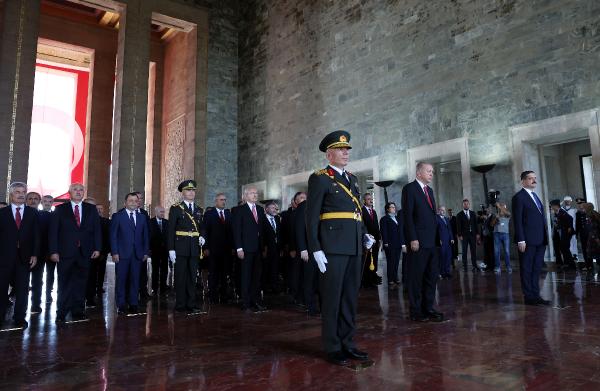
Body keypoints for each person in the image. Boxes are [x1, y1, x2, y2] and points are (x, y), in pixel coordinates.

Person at [306, 130, 375, 366]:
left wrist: (365, 235)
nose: (346, 153)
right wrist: (315, 248)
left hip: (354, 246)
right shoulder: (320, 178)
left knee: (349, 298)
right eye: (341, 149)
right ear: (329, 154)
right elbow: (312, 216)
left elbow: (356, 213)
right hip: (332, 248)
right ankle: (333, 346)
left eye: (347, 149)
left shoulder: (353, 179)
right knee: (332, 299)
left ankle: (348, 342)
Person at [49, 183, 102, 322]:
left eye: (81, 190)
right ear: (69, 193)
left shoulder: (91, 209)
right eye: (75, 190)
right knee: (64, 283)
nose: (78, 192)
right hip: (65, 253)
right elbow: (53, 232)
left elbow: (97, 230)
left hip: (85, 252)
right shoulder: (60, 209)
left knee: (81, 283)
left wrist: (97, 248)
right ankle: (62, 312)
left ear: (84, 192)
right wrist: (53, 251)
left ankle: (78, 311)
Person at [402, 162, 443, 322]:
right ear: (419, 173)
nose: (432, 174)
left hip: (432, 241)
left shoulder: (430, 190)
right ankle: (416, 310)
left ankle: (429, 307)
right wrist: (413, 238)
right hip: (418, 241)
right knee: (416, 277)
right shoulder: (410, 189)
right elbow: (408, 216)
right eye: (429, 171)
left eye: (432, 171)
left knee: (431, 276)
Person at [0, 182, 39, 329]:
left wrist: (35, 254)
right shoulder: (2, 213)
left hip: (25, 257)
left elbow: (37, 236)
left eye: (23, 192)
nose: (21, 194)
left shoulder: (32, 213)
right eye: (17, 192)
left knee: (22, 290)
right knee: (2, 288)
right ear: (11, 194)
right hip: (4, 258)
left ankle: (19, 318)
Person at [512, 171, 550, 306]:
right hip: (527, 240)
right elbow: (517, 220)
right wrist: (521, 239)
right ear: (523, 181)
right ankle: (529, 296)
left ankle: (536, 295)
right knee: (527, 268)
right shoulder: (519, 197)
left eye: (535, 178)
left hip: (540, 239)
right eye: (530, 178)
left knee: (536, 268)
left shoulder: (535, 196)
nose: (534, 181)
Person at [167, 180, 206, 314]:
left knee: (192, 277)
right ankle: (180, 304)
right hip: (181, 248)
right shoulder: (176, 208)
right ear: (183, 193)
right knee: (180, 277)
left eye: (193, 190)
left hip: (194, 248)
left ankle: (191, 303)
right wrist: (171, 249)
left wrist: (203, 236)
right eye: (188, 190)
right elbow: (171, 230)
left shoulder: (200, 209)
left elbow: (203, 227)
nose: (191, 193)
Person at [110, 193, 150, 314]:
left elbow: (145, 236)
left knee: (135, 279)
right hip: (122, 254)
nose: (133, 202)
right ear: (125, 203)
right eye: (130, 200)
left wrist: (145, 252)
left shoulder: (142, 217)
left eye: (135, 201)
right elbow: (113, 236)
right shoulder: (118, 216)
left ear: (138, 203)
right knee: (121, 280)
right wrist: (114, 252)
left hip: (137, 254)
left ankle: (133, 303)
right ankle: (121, 305)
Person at [231, 186, 267, 312]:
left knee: (256, 276)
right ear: (245, 196)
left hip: (258, 248)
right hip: (245, 248)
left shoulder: (260, 210)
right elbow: (236, 230)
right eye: (252, 193)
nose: (255, 195)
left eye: (256, 193)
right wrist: (239, 248)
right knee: (246, 276)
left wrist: (264, 247)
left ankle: (255, 301)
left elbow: (262, 230)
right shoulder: (239, 210)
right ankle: (245, 303)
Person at [295, 195, 320, 315]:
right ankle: (310, 306)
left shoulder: (322, 204)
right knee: (309, 279)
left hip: (321, 249)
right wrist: (303, 249)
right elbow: (299, 229)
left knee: (319, 279)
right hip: (309, 249)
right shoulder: (303, 206)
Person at [26, 191, 50, 313]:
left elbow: (48, 235)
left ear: (39, 201)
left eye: (36, 198)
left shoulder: (45, 216)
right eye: (30, 198)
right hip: (21, 254)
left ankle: (35, 304)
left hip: (40, 254)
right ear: (26, 200)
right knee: (21, 281)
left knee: (37, 280)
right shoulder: (19, 214)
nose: (33, 200)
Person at [379, 202, 405, 288]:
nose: (394, 208)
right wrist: (385, 242)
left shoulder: (397, 218)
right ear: (387, 209)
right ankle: (390, 280)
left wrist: (402, 243)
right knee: (391, 262)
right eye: (392, 207)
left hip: (398, 244)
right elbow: (384, 231)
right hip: (389, 244)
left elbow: (400, 231)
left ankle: (395, 277)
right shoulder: (384, 219)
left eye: (394, 207)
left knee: (396, 262)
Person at [361, 193, 382, 287]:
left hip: (376, 240)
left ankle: (373, 276)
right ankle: (367, 280)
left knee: (375, 258)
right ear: (364, 201)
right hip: (367, 240)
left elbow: (376, 226)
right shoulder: (361, 211)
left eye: (371, 199)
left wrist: (379, 239)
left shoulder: (373, 211)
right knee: (368, 260)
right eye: (368, 199)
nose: (371, 200)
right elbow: (362, 226)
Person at [262, 200, 282, 294]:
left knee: (275, 268)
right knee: (265, 268)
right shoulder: (262, 219)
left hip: (276, 248)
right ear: (266, 209)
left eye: (275, 208)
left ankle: (274, 286)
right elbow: (262, 235)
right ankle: (265, 287)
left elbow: (279, 234)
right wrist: (264, 248)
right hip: (267, 248)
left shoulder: (277, 219)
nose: (275, 210)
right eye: (272, 208)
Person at [149, 206, 169, 296]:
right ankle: (154, 287)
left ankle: (163, 288)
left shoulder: (167, 222)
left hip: (165, 250)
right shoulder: (150, 222)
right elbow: (148, 237)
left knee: (164, 270)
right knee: (155, 270)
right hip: (155, 250)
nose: (162, 213)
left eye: (163, 212)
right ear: (156, 212)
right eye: (161, 212)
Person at [550, 199, 575, 270]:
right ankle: (565, 264)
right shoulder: (556, 213)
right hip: (560, 234)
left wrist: (570, 227)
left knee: (565, 248)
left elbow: (570, 218)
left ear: (556, 206)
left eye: (552, 206)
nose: (551, 207)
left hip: (566, 233)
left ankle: (571, 265)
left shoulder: (562, 212)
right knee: (562, 248)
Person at [456, 199, 480, 272]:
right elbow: (458, 226)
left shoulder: (472, 213)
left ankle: (474, 266)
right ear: (463, 205)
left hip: (472, 235)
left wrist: (477, 233)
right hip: (464, 236)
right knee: (464, 251)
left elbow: (476, 224)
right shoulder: (459, 215)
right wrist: (459, 235)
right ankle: (465, 266)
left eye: (467, 204)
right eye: (464, 204)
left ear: (469, 205)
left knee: (473, 250)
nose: (466, 205)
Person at [41, 195, 56, 302]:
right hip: (39, 251)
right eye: (45, 201)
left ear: (52, 203)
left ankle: (48, 293)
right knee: (38, 274)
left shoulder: (56, 216)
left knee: (51, 274)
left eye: (49, 201)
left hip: (52, 250)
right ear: (42, 202)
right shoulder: (36, 215)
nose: (47, 203)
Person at [493, 202, 512, 273]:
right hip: (496, 234)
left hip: (505, 234)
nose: (502, 208)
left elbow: (507, 213)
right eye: (501, 206)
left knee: (507, 251)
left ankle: (508, 267)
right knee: (497, 251)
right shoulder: (495, 214)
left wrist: (499, 206)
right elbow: (492, 224)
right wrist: (496, 218)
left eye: (503, 207)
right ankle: (497, 267)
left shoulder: (508, 215)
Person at [436, 206, 454, 279]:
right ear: (438, 210)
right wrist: (438, 239)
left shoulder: (446, 219)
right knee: (442, 257)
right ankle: (442, 272)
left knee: (448, 257)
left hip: (448, 241)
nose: (443, 211)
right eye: (441, 210)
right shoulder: (436, 218)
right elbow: (436, 230)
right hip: (442, 241)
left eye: (444, 210)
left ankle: (447, 272)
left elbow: (449, 229)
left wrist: (452, 238)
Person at [576, 198, 592, 270]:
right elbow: (577, 225)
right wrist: (576, 234)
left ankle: (591, 264)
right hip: (583, 234)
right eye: (579, 204)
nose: (580, 205)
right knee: (584, 249)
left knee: (591, 249)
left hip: (590, 234)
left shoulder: (590, 212)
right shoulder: (578, 213)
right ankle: (587, 265)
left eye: (581, 204)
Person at [562, 196, 578, 261]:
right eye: (566, 201)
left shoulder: (574, 210)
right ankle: (569, 254)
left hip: (573, 228)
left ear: (571, 201)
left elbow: (576, 220)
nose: (567, 202)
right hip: (565, 228)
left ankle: (575, 254)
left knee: (574, 241)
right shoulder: (562, 209)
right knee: (567, 242)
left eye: (569, 201)